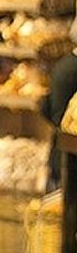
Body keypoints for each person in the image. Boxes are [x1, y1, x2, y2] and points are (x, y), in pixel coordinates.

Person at [41, 25, 77, 186]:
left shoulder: (64, 66)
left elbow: (46, 108)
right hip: (68, 158)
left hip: (61, 151)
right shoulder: (71, 69)